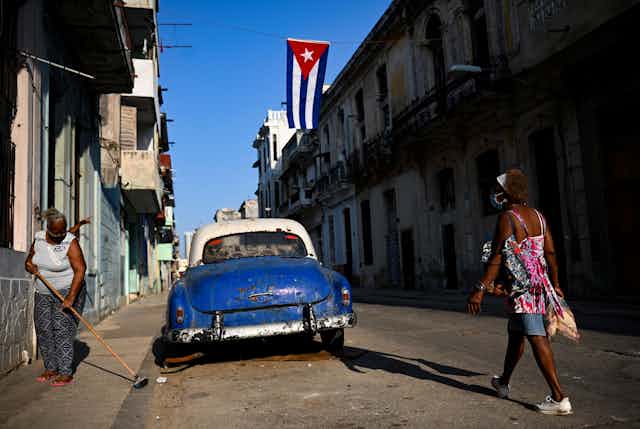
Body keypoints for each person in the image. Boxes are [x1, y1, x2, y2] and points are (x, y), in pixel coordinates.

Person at [467, 169, 572, 416]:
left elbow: (495, 257)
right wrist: (555, 284)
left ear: (508, 192)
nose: (495, 194)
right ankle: (503, 382)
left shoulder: (508, 218)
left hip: (525, 290)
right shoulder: (539, 216)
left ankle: (559, 397)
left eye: (499, 190)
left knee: (536, 336)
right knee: (516, 335)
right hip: (538, 285)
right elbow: (551, 254)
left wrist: (479, 289)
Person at [24, 208, 87, 386]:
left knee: (62, 329)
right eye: (56, 232)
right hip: (43, 291)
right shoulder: (38, 239)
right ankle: (51, 368)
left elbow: (80, 269)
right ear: (48, 228)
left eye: (63, 230)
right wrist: (30, 266)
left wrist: (71, 297)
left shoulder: (70, 241)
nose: (60, 235)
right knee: (44, 329)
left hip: (67, 289)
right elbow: (29, 261)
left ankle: (66, 372)